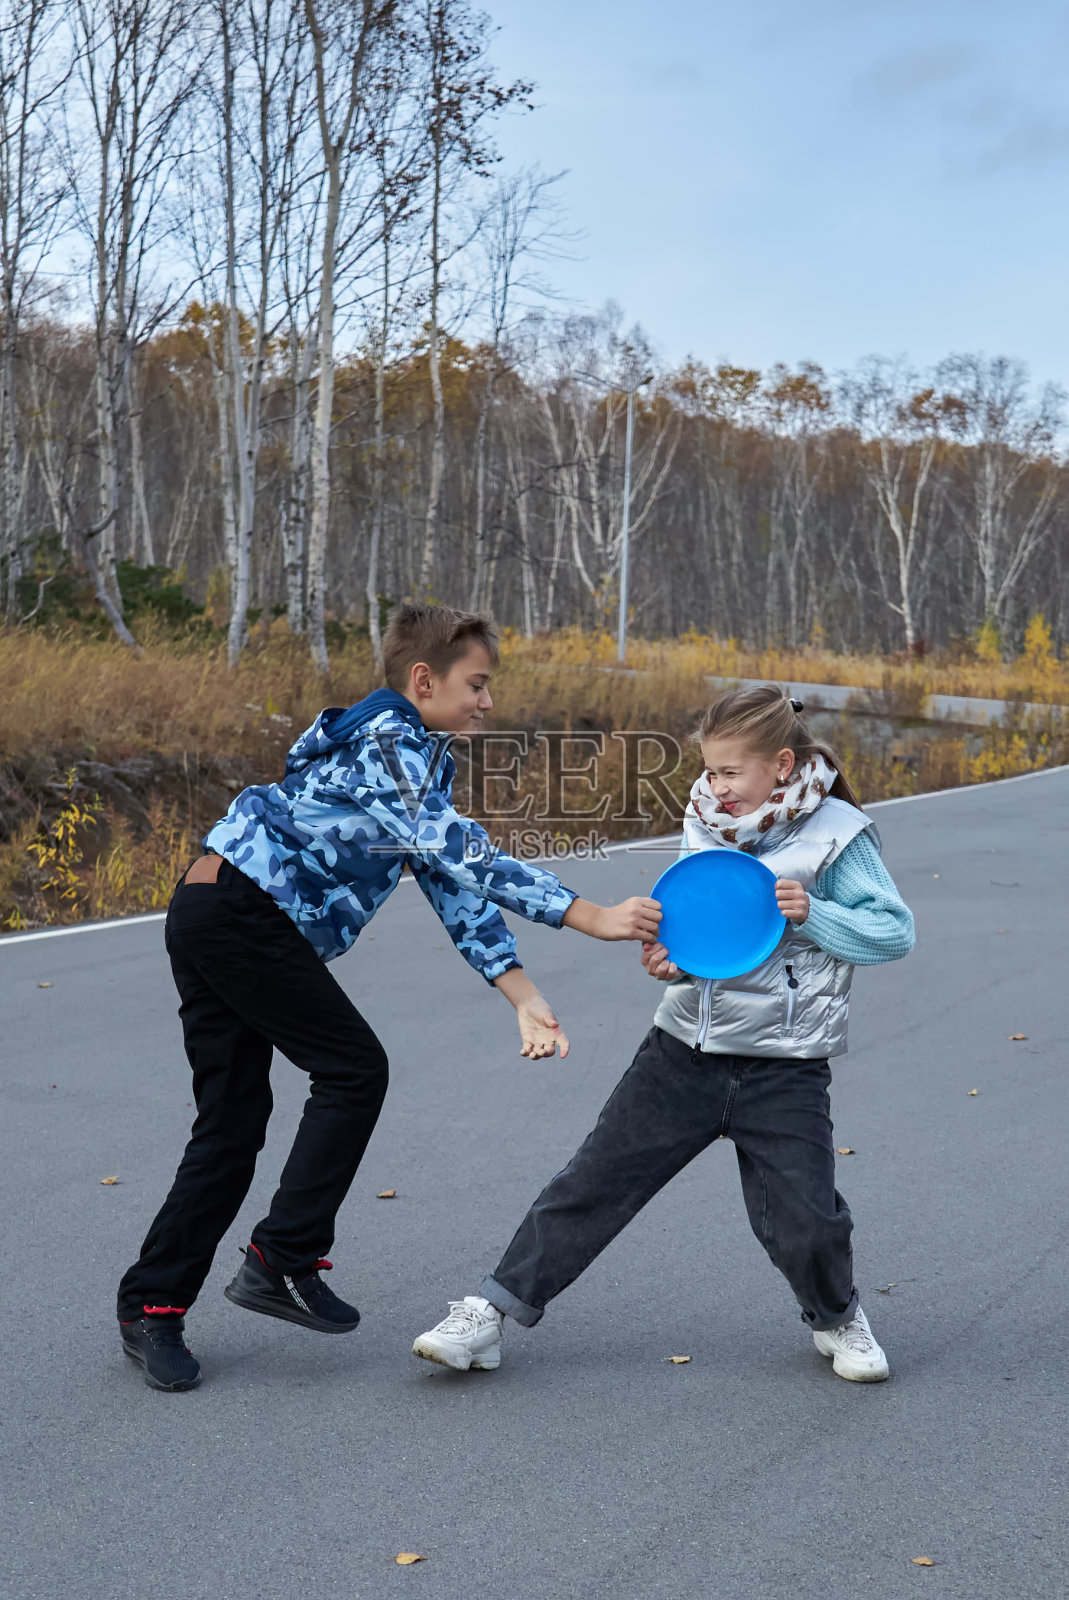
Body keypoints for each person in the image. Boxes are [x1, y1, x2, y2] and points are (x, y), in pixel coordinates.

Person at [117, 602, 661, 1391]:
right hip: (237, 912)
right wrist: (586, 915)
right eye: (475, 684)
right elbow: (460, 849)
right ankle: (280, 1258)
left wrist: (519, 992)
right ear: (422, 679)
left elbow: (450, 881)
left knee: (233, 1125)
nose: (486, 701)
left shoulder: (414, 756)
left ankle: (154, 1306)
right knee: (351, 1070)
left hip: (223, 911)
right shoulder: (386, 742)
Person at [414, 683, 915, 1384]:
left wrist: (815, 916)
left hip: (783, 1065)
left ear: (778, 763)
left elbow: (894, 934)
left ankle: (835, 1319)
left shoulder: (837, 833)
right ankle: (489, 1315)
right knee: (590, 1183)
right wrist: (667, 964)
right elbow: (699, 938)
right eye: (709, 770)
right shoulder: (707, 817)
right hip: (682, 1051)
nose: (715, 786)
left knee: (805, 1221)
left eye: (730, 772)